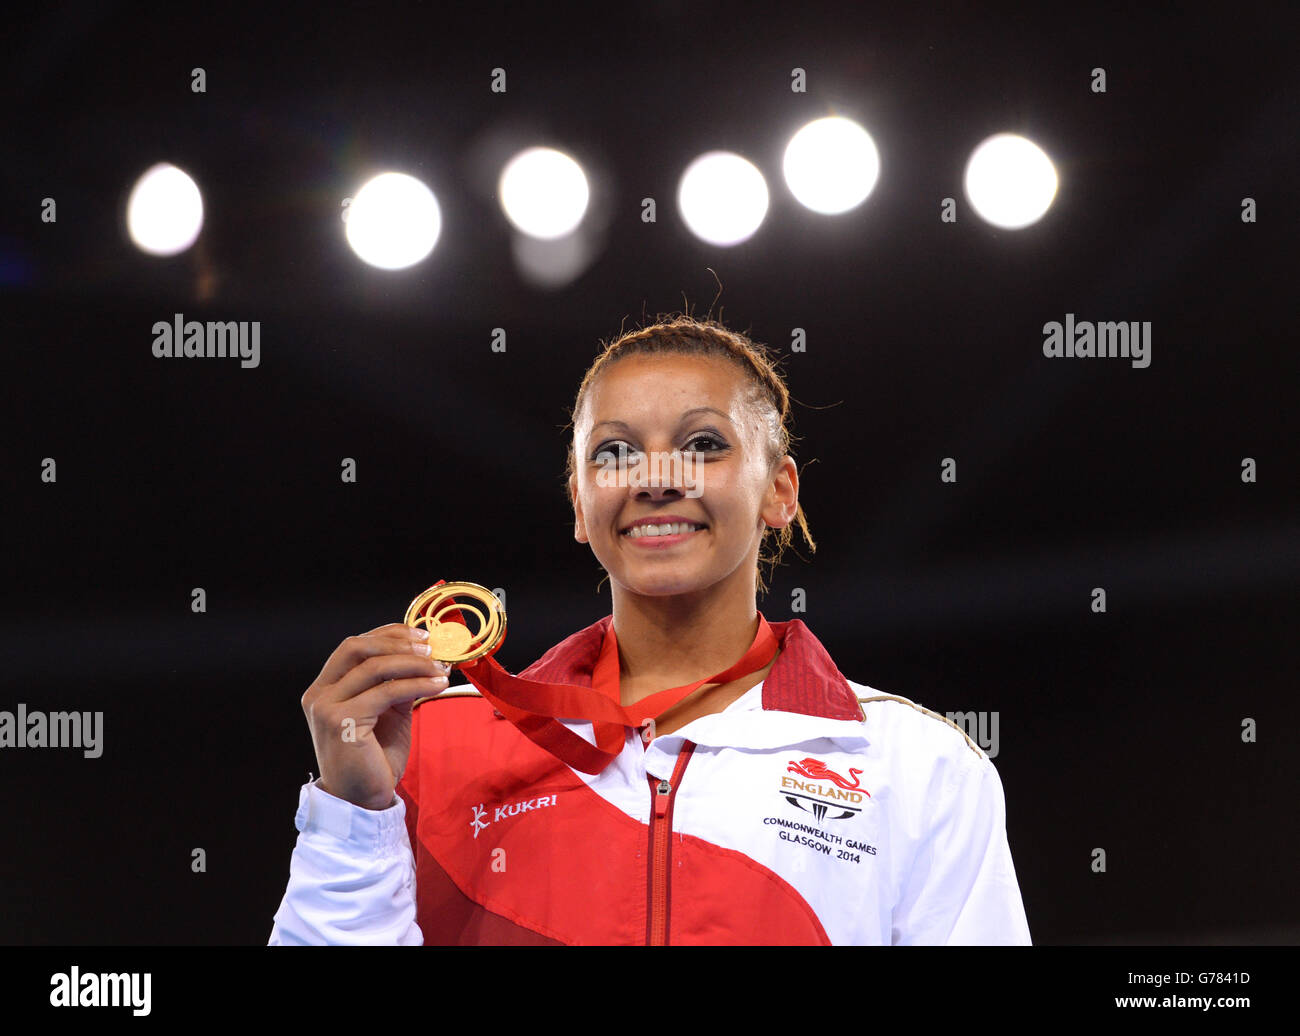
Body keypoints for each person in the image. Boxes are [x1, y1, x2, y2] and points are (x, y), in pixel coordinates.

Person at [268, 314, 1032, 945]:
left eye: (704, 444)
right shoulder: (431, 747)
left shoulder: (914, 766)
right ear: (579, 502)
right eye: (614, 452)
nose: (657, 477)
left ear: (780, 490)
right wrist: (353, 817)